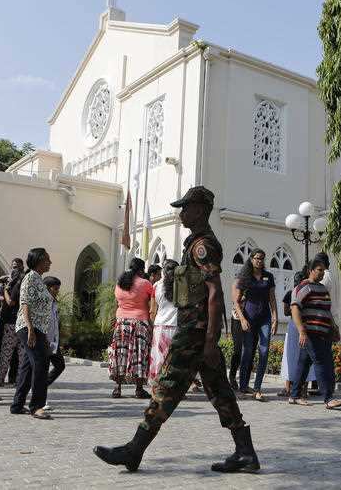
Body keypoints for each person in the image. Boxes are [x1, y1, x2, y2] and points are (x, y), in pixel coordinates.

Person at [94, 186, 260, 474]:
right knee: (220, 391)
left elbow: (215, 293)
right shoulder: (193, 244)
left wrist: (209, 340)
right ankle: (245, 452)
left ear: (200, 209)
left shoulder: (202, 246)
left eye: (186, 207)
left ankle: (135, 449)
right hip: (196, 331)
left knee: (166, 387)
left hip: (194, 334)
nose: (181, 212)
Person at [288, 257, 341, 409]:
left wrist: (334, 328)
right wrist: (301, 331)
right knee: (322, 362)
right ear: (310, 270)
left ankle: (294, 395)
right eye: (319, 270)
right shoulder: (303, 287)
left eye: (324, 271)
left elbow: (327, 311)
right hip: (311, 333)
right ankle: (328, 398)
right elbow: (295, 309)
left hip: (324, 332)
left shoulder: (322, 288)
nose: (322, 273)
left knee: (304, 362)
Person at [10, 248, 54, 419]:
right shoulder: (30, 278)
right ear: (39, 260)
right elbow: (25, 304)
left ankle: (17, 404)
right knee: (41, 364)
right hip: (30, 327)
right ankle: (37, 406)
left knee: (27, 367)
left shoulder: (37, 278)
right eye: (47, 259)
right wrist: (30, 329)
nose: (50, 262)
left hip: (37, 328)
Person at [107, 257, 155, 399]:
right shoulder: (146, 284)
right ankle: (139, 389)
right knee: (139, 355)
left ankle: (117, 388)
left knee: (120, 354)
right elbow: (152, 305)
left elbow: (118, 303)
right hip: (140, 323)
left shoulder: (120, 283)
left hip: (121, 322)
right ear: (141, 270)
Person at [235, 248, 278, 401]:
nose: (259, 261)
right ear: (251, 259)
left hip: (265, 318)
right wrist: (242, 319)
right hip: (249, 318)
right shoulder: (245, 277)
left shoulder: (268, 276)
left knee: (264, 351)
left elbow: (272, 299)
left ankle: (257, 388)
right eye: (257, 258)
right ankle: (243, 386)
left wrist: (275, 319)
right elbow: (237, 301)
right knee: (247, 353)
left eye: (262, 258)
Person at [279, 269, 315, 397]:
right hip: (294, 326)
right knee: (290, 357)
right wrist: (296, 307)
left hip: (306, 325)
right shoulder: (290, 294)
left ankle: (304, 389)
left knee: (305, 356)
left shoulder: (309, 293)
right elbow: (286, 311)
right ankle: (288, 388)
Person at [0, 258, 24, 386]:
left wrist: (6, 291)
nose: (15, 269)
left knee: (7, 352)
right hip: (20, 322)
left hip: (13, 322)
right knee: (20, 354)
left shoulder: (17, 282)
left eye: (17, 267)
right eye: (13, 267)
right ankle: (18, 380)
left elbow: (10, 302)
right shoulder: (18, 281)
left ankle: (2, 379)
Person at [148, 259, 179, 380]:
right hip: (176, 326)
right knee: (174, 359)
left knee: (160, 358)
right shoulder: (181, 286)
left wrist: (152, 328)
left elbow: (152, 311)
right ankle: (173, 386)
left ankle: (159, 384)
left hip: (160, 327)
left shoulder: (156, 286)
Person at [228, 279, 256, 391]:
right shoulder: (237, 283)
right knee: (238, 350)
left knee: (250, 351)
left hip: (251, 320)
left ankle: (245, 382)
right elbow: (235, 301)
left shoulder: (254, 284)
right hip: (237, 319)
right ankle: (232, 377)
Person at [45, 276, 65, 388]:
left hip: (53, 341)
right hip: (44, 340)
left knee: (60, 365)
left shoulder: (54, 302)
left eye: (58, 289)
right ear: (47, 288)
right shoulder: (43, 302)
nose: (57, 291)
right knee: (43, 368)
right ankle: (40, 392)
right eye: (55, 289)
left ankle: (43, 385)